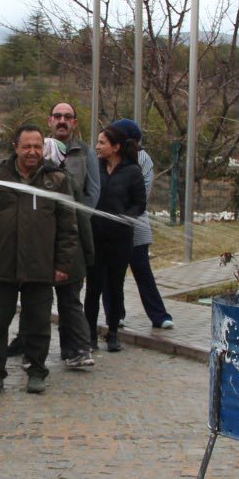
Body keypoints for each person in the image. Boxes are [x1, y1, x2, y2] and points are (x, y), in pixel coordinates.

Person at [0, 125, 79, 395]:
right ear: (15, 147)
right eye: (26, 146)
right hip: (1, 266)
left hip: (40, 267)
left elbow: (68, 228)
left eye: (37, 146)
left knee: (39, 323)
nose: (32, 152)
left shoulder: (57, 181)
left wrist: (62, 265)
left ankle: (37, 370)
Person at [84, 124, 147, 352]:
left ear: (116, 147)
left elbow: (140, 204)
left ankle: (112, 333)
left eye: (102, 142)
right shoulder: (94, 169)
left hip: (120, 239)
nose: (97, 146)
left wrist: (124, 218)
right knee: (93, 287)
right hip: (95, 237)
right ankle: (90, 334)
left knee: (115, 286)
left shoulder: (132, 172)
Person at [45, 102, 98, 367]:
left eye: (67, 117)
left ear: (74, 122)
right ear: (49, 121)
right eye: (57, 116)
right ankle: (30, 346)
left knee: (69, 298)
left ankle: (75, 349)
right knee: (38, 298)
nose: (62, 120)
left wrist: (78, 223)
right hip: (42, 240)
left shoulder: (85, 152)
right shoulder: (38, 150)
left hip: (72, 236)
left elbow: (92, 192)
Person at [109, 119, 172, 329]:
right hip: (111, 226)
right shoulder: (106, 156)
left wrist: (123, 211)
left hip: (136, 226)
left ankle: (159, 315)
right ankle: (115, 314)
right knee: (112, 274)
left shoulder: (143, 159)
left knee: (142, 270)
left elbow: (142, 195)